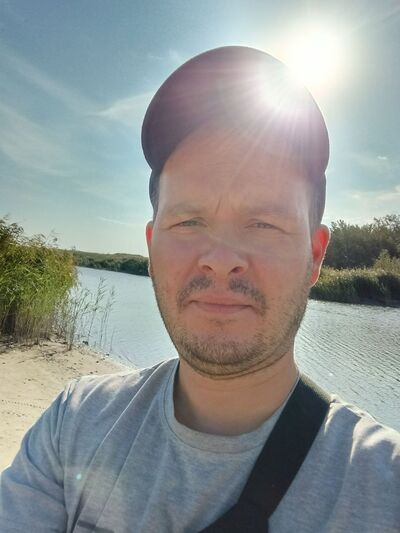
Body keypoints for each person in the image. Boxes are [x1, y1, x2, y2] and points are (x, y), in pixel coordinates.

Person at [0, 46, 399, 533]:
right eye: (189, 221)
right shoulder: (74, 424)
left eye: (263, 224)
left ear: (315, 256)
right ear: (152, 247)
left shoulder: (384, 485)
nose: (221, 258)